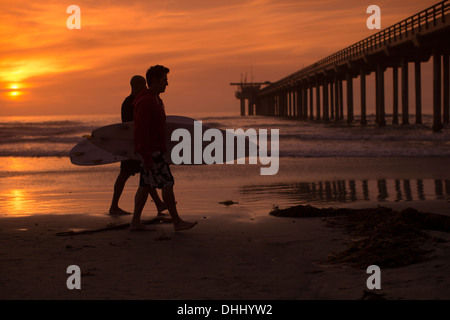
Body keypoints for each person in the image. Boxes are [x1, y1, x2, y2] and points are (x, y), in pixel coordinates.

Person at [130, 65, 197, 231]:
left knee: (145, 185)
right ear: (154, 80)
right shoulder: (147, 101)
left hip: (152, 150)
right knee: (167, 183)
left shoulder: (155, 99)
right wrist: (146, 156)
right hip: (151, 152)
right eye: (164, 80)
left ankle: (135, 222)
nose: (167, 84)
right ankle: (177, 222)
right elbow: (141, 130)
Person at [109, 75, 167, 216]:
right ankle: (114, 206)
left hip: (136, 145)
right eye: (143, 84)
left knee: (145, 176)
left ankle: (159, 204)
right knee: (125, 174)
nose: (145, 87)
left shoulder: (133, 101)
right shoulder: (131, 102)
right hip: (132, 146)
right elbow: (132, 126)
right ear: (136, 85)